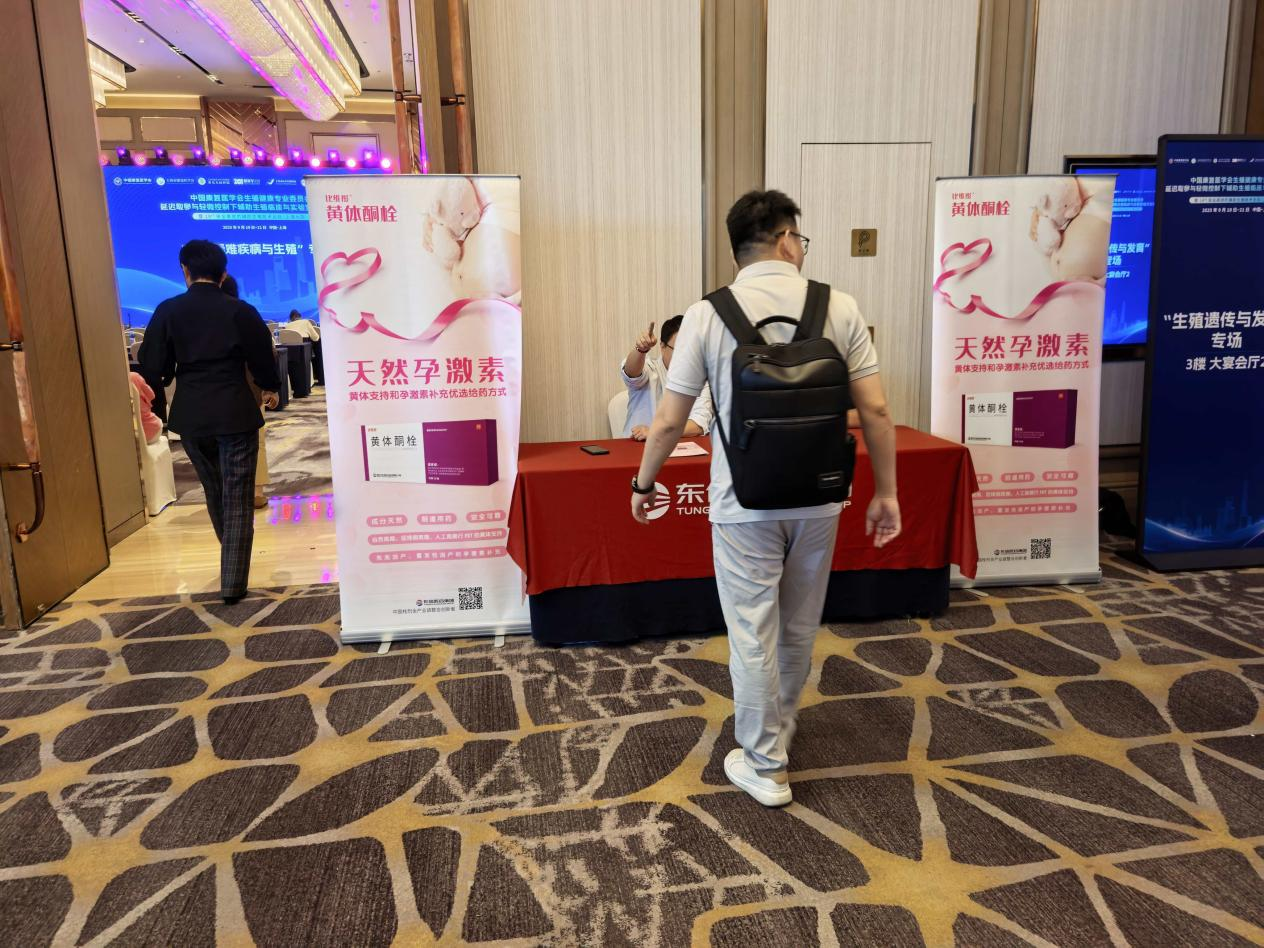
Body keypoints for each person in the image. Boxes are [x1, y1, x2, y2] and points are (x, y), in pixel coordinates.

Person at [629, 190, 901, 808]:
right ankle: (778, 734)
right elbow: (877, 410)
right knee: (798, 626)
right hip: (821, 499)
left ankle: (765, 763)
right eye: (799, 238)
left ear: (738, 249)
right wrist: (886, 492)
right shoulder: (840, 307)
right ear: (785, 239)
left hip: (742, 504)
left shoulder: (706, 315)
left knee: (752, 630)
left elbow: (669, 421)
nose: (801, 248)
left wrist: (643, 484)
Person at [138, 241, 281, 603]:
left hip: (192, 416)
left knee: (215, 491)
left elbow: (152, 364)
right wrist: (269, 387)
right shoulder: (240, 311)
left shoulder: (168, 310)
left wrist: (170, 377)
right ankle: (232, 583)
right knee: (237, 497)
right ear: (223, 273)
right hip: (235, 412)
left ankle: (232, 566)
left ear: (184, 271)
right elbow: (264, 361)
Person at [221, 276, 272, 510]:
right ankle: (256, 492)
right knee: (255, 441)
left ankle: (228, 493)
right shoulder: (246, 314)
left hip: (213, 396)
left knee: (219, 445)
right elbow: (265, 353)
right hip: (249, 392)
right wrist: (270, 387)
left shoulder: (198, 320)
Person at [620, 315, 713, 440]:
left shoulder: (700, 378)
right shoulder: (650, 368)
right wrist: (640, 350)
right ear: (662, 346)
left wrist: (657, 431)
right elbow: (631, 373)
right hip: (637, 446)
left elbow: (699, 424)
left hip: (680, 448)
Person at [286, 309, 325, 385]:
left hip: (291, 354)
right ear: (300, 316)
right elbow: (315, 338)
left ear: (291, 318)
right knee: (318, 346)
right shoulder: (306, 322)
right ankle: (321, 378)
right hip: (304, 350)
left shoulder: (287, 325)